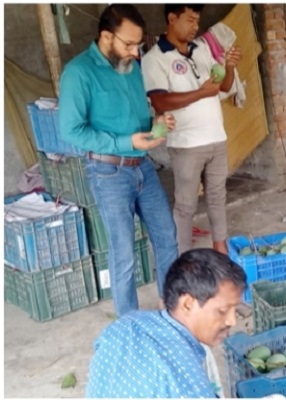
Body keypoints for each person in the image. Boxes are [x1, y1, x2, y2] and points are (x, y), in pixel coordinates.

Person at [59, 4, 179, 317]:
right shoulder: (79, 72)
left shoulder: (131, 67)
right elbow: (71, 131)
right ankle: (129, 323)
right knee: (124, 253)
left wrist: (157, 124)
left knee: (167, 237)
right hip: (108, 172)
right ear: (106, 37)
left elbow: (137, 114)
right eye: (128, 44)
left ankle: (170, 309)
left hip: (143, 166)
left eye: (138, 45)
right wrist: (126, 142)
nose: (135, 52)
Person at [142, 4, 242, 256]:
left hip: (217, 138)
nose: (195, 26)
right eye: (190, 20)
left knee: (217, 198)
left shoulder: (202, 49)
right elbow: (160, 102)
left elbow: (221, 87)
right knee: (186, 205)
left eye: (197, 21)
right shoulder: (155, 58)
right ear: (172, 19)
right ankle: (183, 258)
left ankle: (221, 250)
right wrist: (200, 93)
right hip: (186, 144)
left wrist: (229, 67)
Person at [86, 249, 246, 398]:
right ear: (187, 304)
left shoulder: (124, 325)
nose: (232, 320)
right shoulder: (189, 386)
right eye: (223, 311)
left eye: (234, 310)